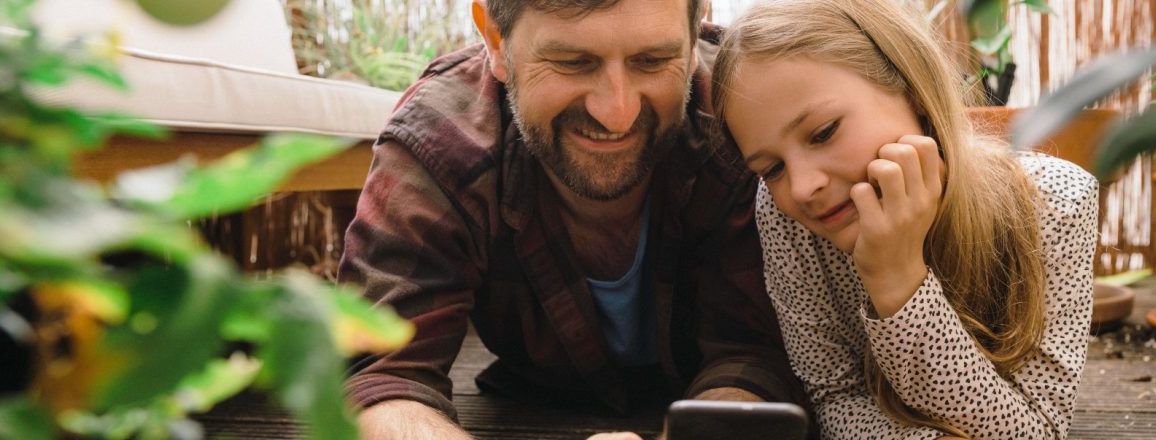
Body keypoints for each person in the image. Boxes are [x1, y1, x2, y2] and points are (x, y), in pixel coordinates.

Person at [337, 0, 809, 438]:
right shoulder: (439, 141)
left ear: (696, 26)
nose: (616, 114)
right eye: (572, 62)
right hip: (532, 395)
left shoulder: (747, 119)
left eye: (652, 61)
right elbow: (381, 375)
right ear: (496, 38)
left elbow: (756, 355)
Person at [710, 0, 1098, 438]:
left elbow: (1038, 431)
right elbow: (832, 395)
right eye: (772, 168)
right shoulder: (786, 220)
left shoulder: (1056, 203)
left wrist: (899, 281)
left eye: (823, 132)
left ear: (912, 90)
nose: (801, 187)